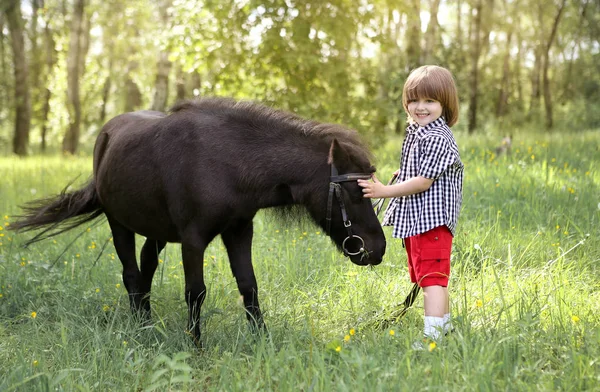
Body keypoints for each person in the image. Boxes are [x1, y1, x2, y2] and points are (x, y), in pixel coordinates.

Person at [358, 65, 463, 344]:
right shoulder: (418, 132)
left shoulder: (438, 138)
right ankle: (446, 326)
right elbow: (414, 173)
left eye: (430, 101)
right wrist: (396, 178)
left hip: (433, 222)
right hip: (418, 221)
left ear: (445, 104)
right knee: (428, 276)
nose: (421, 107)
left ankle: (433, 338)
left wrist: (386, 191)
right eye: (414, 100)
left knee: (433, 279)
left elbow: (424, 181)